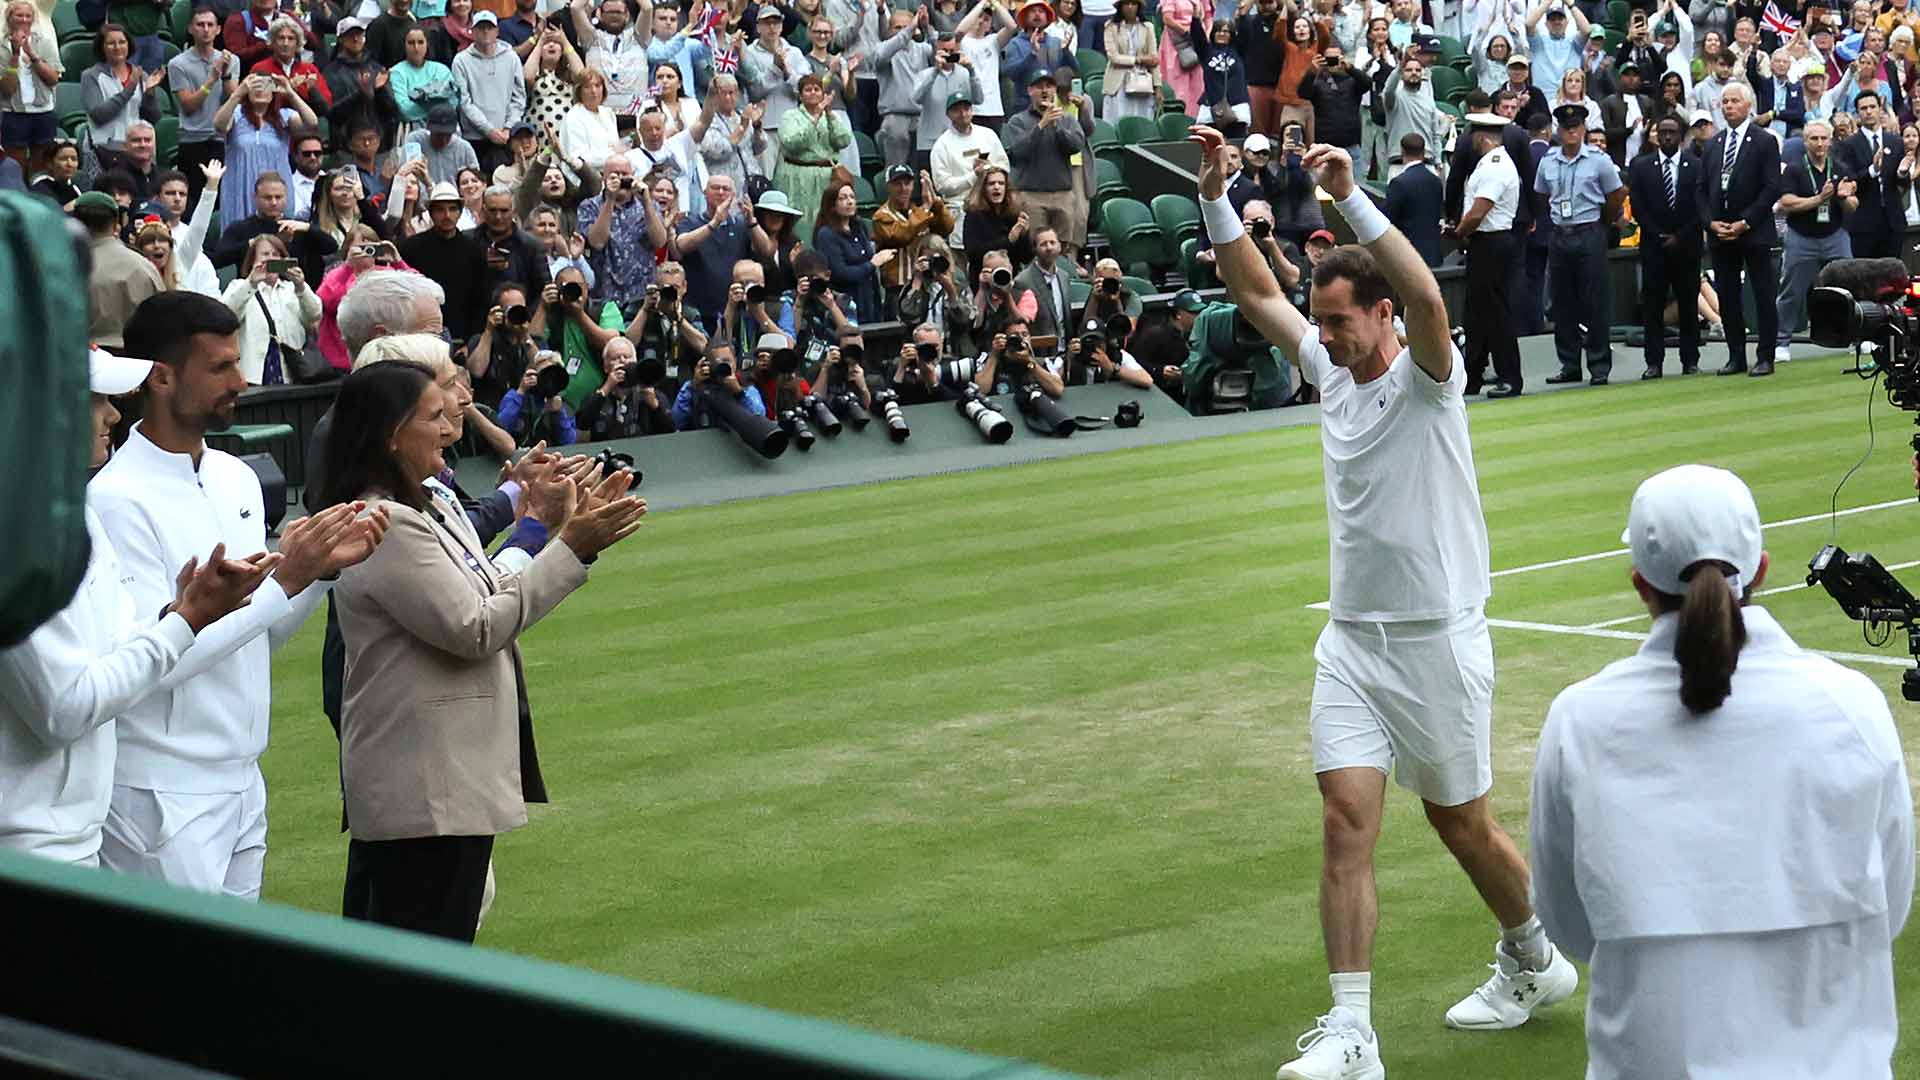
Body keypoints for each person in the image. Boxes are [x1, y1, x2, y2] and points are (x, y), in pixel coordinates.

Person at [1190, 127, 1577, 1079]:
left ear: (1383, 316)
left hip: (1439, 645)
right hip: (1352, 647)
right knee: (1344, 818)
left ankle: (1533, 958)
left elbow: (1433, 294)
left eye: (1340, 321)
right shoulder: (1326, 373)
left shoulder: (1429, 383)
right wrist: (1214, 193)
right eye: (1318, 321)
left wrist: (1352, 197)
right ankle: (1352, 1031)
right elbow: (1252, 292)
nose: (1321, 336)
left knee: (1462, 825)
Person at [1530, 464, 1913, 1080]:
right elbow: (1889, 909)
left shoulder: (1580, 721)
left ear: (1640, 586)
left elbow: (1570, 926)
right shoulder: (1854, 706)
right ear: (1761, 570)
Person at [325, 360, 644, 942]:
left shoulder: (431, 504)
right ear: (392, 435)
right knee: (417, 971)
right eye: (435, 416)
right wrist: (571, 547)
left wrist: (540, 528)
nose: (452, 427)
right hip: (422, 791)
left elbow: (488, 587)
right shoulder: (384, 521)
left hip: (447, 786)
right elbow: (475, 626)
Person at [93, 292, 388, 900]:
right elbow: (153, 662)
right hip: (158, 791)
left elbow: (256, 636)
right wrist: (285, 581)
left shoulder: (237, 477)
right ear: (162, 376)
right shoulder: (115, 500)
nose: (242, 379)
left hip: (243, 778)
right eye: (221, 366)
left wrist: (315, 576)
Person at [0, 347, 282, 869]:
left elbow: (114, 646)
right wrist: (185, 621)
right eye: (96, 400)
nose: (113, 415)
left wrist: (182, 615)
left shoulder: (71, 516)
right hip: (30, 849)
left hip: (71, 834)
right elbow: (65, 709)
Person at [1535, 102, 1621, 385]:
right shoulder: (1548, 161)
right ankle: (1569, 363)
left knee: (1595, 301)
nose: (1571, 132)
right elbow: (1541, 195)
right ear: (1558, 130)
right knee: (1562, 303)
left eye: (1576, 128)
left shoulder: (1599, 159)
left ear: (1583, 129)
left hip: (1589, 230)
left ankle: (1598, 366)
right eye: (1566, 128)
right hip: (1561, 233)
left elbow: (1615, 196)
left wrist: (1602, 224)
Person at [1699, 82, 1779, 377]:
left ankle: (1766, 355)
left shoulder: (1764, 140)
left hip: (1754, 231)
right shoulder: (1713, 144)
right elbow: (1701, 190)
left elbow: (1772, 187)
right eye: (1725, 101)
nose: (1729, 106)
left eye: (1734, 101)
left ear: (1748, 106)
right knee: (1728, 296)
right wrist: (1710, 222)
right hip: (1721, 233)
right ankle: (1735, 355)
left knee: (1762, 294)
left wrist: (1745, 221)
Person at [1774, 119, 1858, 365]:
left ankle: (1857, 337)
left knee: (1851, 286)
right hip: (1801, 237)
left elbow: (1853, 205)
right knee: (1791, 291)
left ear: (1830, 141)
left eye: (1823, 138)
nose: (1819, 144)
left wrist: (1843, 197)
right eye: (1814, 139)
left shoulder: (1840, 167)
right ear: (1805, 142)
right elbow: (1787, 203)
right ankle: (1781, 343)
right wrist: (1819, 198)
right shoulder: (1794, 169)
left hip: (1835, 235)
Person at [1627, 114, 1704, 378]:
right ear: (1656, 136)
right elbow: (1638, 206)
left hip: (1687, 245)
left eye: (1672, 132)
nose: (1667, 137)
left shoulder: (1696, 165)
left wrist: (1680, 236)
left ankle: (1690, 359)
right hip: (1653, 246)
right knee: (1653, 305)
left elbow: (1700, 206)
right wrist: (1658, 234)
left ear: (1681, 136)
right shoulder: (1640, 166)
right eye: (1663, 132)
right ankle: (1654, 362)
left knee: (1688, 304)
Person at [1456, 113, 1522, 398]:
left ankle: (1509, 376)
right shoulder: (1488, 163)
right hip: (1484, 242)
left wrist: (1457, 231)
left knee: (1496, 312)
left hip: (1492, 241)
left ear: (1481, 137)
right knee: (1477, 313)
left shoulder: (1496, 166)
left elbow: (1480, 210)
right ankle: (1473, 374)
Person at [1003, 68, 1089, 260]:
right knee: (1037, 247)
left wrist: (1056, 126)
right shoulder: (1018, 121)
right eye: (1039, 87)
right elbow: (1016, 152)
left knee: (1062, 249)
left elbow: (1076, 146)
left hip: (1062, 194)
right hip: (1032, 195)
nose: (1045, 91)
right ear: (1029, 91)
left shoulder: (1066, 119)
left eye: (1049, 86)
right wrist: (1041, 125)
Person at [214, 72, 317, 230]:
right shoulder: (236, 114)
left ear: (273, 92)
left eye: (265, 85)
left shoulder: (284, 116)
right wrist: (237, 94)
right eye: (255, 85)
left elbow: (311, 123)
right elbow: (220, 126)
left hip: (275, 192)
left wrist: (290, 92)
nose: (260, 89)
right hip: (241, 189)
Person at [222, 232, 322, 385]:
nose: (270, 258)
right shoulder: (239, 286)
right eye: (265, 254)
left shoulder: (292, 289)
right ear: (252, 260)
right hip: (253, 376)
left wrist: (301, 286)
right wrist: (251, 283)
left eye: (275, 254)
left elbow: (315, 314)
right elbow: (227, 316)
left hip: (293, 374)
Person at [169, 8, 239, 206]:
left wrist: (225, 75)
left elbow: (234, 99)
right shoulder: (178, 63)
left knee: (223, 202)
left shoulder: (231, 60)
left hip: (222, 141)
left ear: (218, 29)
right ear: (191, 29)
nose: (206, 30)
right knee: (195, 203)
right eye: (200, 25)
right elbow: (189, 105)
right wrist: (211, 80)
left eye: (210, 25)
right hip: (193, 142)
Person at [76, 190, 161, 349]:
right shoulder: (144, 266)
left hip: (88, 362)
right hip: (138, 362)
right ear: (116, 225)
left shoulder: (69, 269)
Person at [774, 74, 853, 240]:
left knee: (826, 219)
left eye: (817, 89)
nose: (813, 93)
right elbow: (792, 143)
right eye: (808, 90)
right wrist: (815, 118)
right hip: (798, 176)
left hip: (827, 177)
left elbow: (843, 140)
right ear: (800, 95)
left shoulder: (831, 116)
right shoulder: (790, 116)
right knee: (800, 222)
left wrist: (829, 115)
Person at [81, 23, 164, 177]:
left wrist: (150, 94)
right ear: (102, 47)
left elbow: (153, 117)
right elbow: (99, 115)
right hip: (104, 152)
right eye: (111, 43)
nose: (117, 47)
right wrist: (129, 89)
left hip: (137, 152)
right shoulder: (91, 76)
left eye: (122, 42)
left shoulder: (140, 75)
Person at [0, 0, 63, 177]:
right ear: (9, 18)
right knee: (15, 168)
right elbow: (7, 89)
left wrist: (32, 55)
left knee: (42, 169)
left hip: (44, 111)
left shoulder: (44, 42)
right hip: (14, 113)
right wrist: (15, 55)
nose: (24, 19)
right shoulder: (1, 47)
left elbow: (53, 79)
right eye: (19, 15)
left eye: (28, 16)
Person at [1837, 92, 1903, 260]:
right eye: (1863, 108)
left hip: (1892, 221)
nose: (1868, 111)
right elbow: (1849, 181)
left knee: (1892, 276)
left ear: (1880, 109)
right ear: (1857, 112)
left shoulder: (1895, 142)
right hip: (1863, 223)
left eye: (1872, 107)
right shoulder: (1849, 145)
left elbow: (1902, 183)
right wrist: (1872, 171)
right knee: (1864, 277)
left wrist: (1903, 173)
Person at [578, 336, 676, 439]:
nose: (622, 361)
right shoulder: (598, 395)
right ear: (606, 367)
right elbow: (582, 424)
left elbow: (670, 431)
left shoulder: (650, 393)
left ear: (635, 362)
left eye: (627, 357)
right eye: (615, 358)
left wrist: (655, 405)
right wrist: (607, 388)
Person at [673, 342, 768, 429]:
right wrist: (693, 386)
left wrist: (739, 393)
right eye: (717, 362)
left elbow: (760, 420)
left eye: (727, 361)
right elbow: (677, 422)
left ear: (735, 361)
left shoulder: (746, 387)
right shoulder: (696, 387)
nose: (723, 366)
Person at [1384, 132, 1443, 266]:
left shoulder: (1399, 183)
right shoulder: (1435, 181)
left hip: (1408, 255)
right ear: (1423, 151)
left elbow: (1388, 219)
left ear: (1402, 151)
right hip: (1434, 254)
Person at [1101, 0, 1158, 120]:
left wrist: (1157, 86)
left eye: (1134, 4)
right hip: (1118, 82)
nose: (1130, 7)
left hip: (1143, 82)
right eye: (1126, 4)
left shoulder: (1147, 27)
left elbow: (1153, 59)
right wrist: (1138, 60)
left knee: (1143, 122)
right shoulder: (1111, 27)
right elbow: (1113, 57)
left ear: (1139, 6)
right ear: (1121, 7)